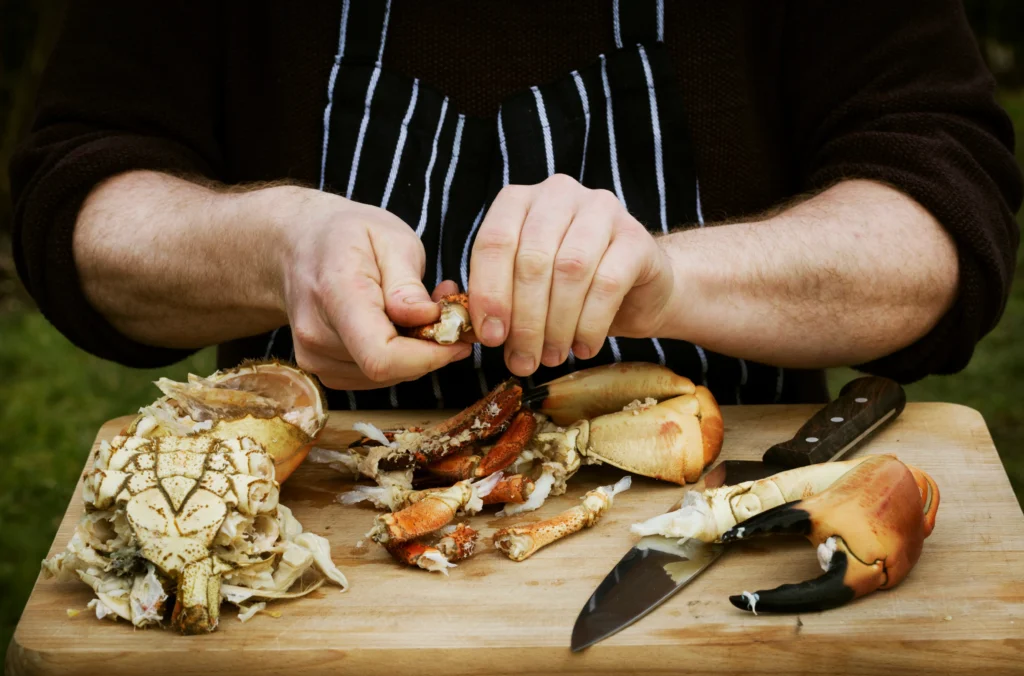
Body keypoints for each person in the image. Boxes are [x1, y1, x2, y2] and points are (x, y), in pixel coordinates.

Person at [10, 0, 1022, 412]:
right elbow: (77, 204)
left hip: (723, 568)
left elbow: (944, 212)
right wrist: (273, 246)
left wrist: (668, 278)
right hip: (305, 563)